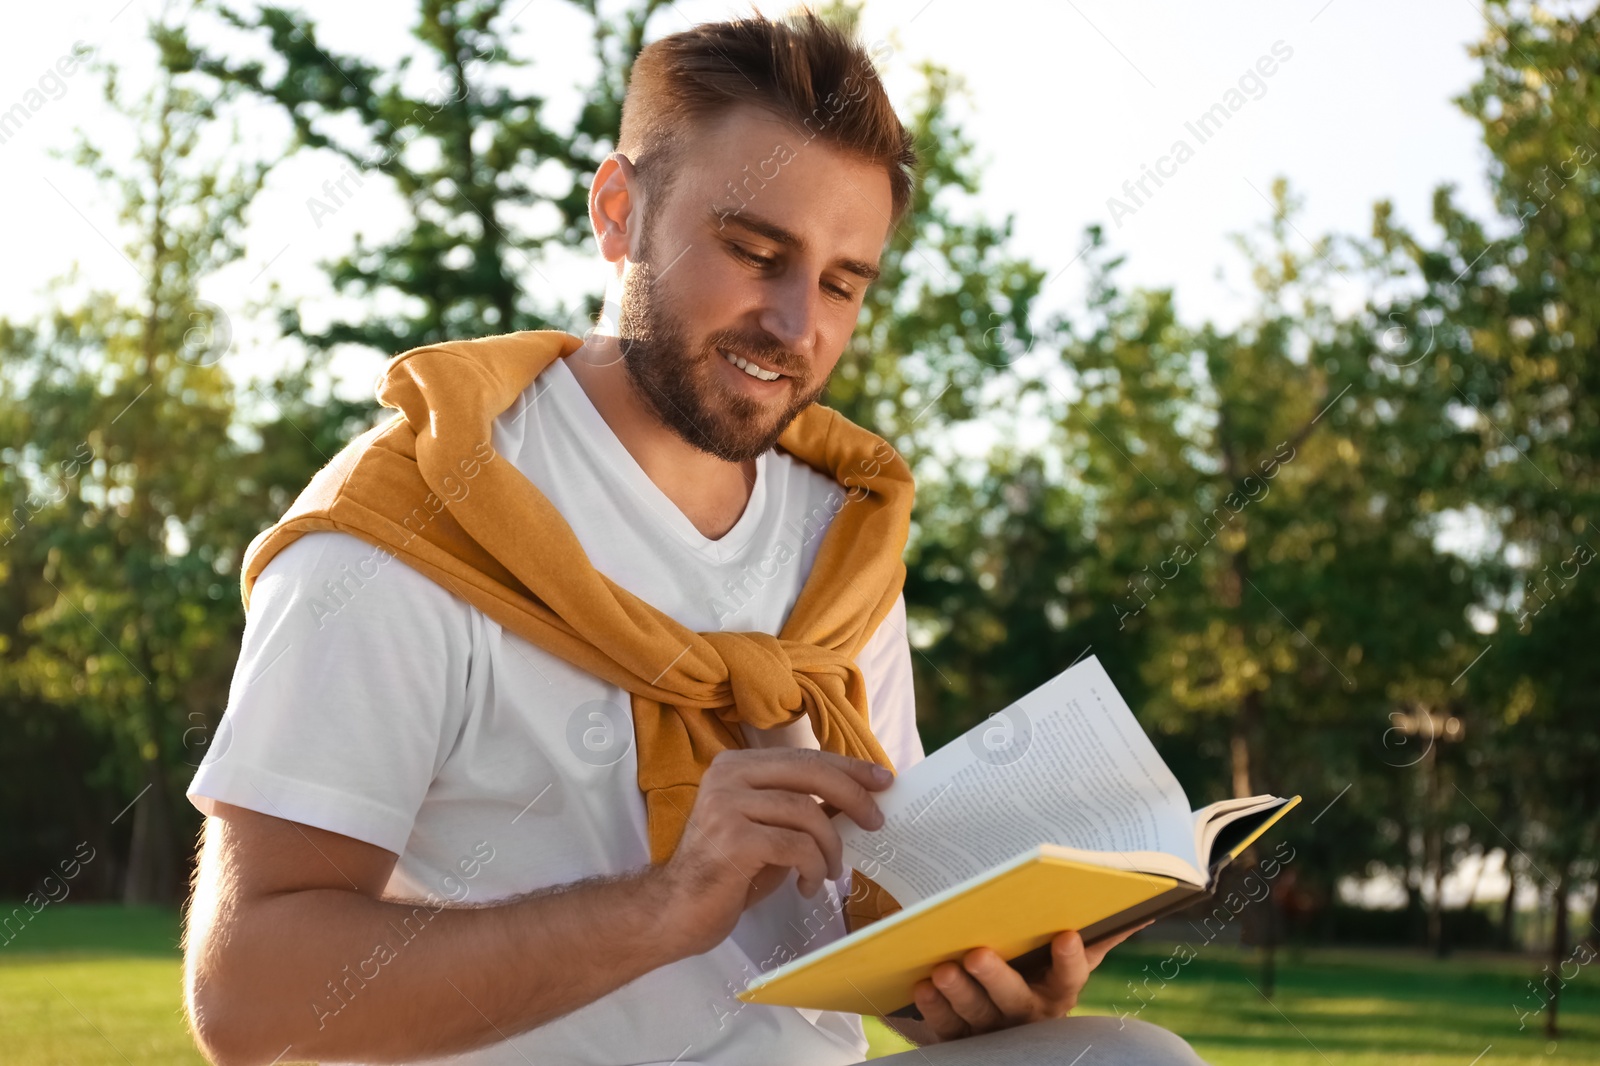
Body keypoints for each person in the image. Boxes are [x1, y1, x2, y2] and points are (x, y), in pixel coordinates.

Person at [180, 9, 1208, 1066]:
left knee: (1126, 1058)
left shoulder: (841, 541)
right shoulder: (416, 514)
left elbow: (864, 913)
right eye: (755, 250)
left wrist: (962, 984)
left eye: (844, 283)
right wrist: (665, 906)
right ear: (618, 211)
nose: (797, 322)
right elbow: (248, 994)